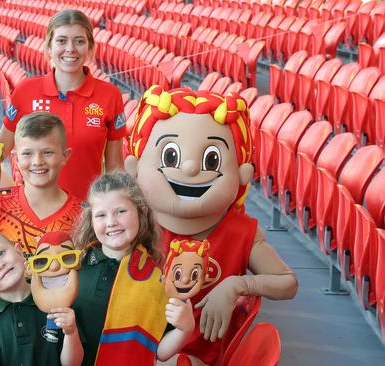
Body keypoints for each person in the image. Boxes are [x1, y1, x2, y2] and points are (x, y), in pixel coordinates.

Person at [125, 87, 298, 365]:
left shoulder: (240, 231)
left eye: (212, 160)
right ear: (136, 165)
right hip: (132, 343)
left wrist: (237, 285)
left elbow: (288, 283)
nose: (191, 168)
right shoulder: (131, 221)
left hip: (193, 357)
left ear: (241, 173)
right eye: (171, 157)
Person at [0, 9, 127, 199]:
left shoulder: (110, 96)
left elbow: (115, 167)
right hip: (34, 216)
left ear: (90, 48)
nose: (70, 49)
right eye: (61, 40)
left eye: (79, 41)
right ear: (49, 47)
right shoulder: (26, 91)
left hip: (86, 214)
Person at [72, 172, 194, 366]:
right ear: (91, 221)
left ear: (140, 211)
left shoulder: (157, 280)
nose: (111, 222)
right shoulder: (75, 268)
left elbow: (159, 351)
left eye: (120, 211)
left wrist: (184, 329)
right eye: (101, 215)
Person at [0, 112, 83, 255]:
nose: (37, 162)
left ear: (65, 156)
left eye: (47, 152)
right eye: (27, 154)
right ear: (16, 158)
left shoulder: (83, 216)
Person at [0, 229, 83, 366]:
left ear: (19, 251)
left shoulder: (57, 303)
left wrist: (71, 332)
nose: (0, 265)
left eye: (1, 253)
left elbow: (73, 364)